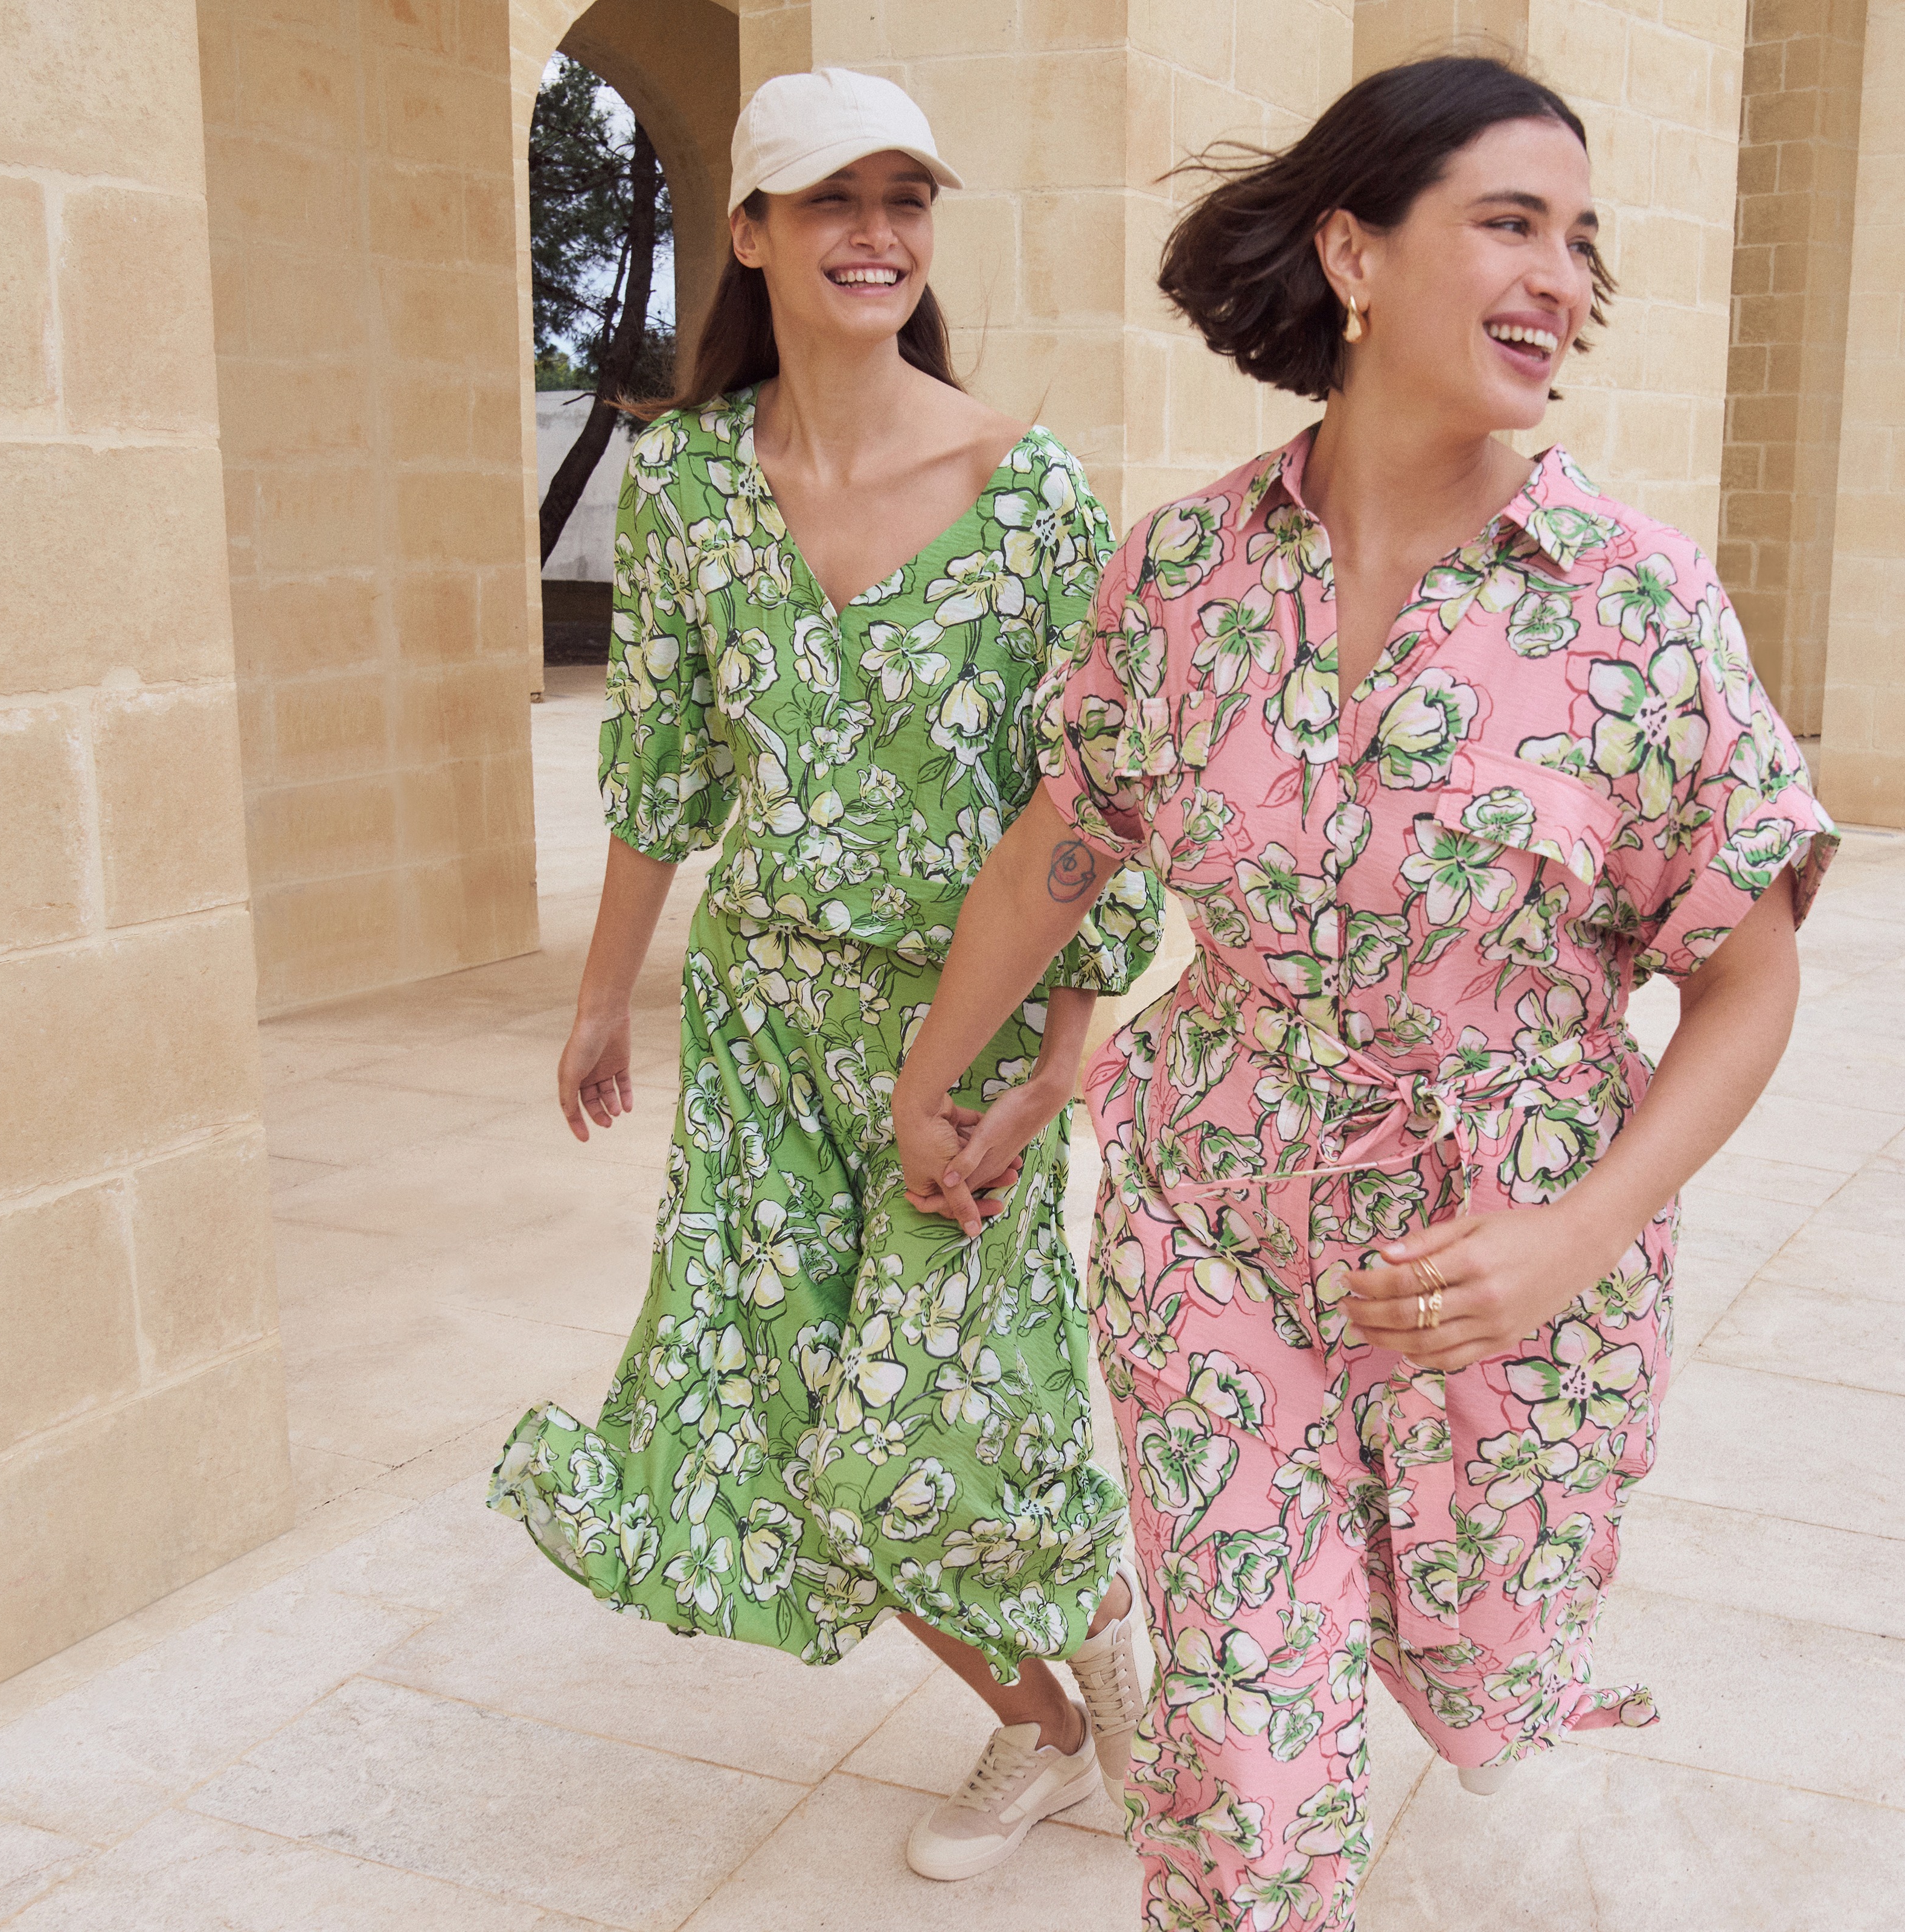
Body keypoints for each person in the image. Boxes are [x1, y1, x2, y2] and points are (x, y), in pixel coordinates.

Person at [892, 56, 1836, 1931]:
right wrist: (944, 1074)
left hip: (1503, 1272)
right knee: (1247, 1757)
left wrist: (1577, 1237)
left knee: (1479, 1664)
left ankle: (1492, 1664)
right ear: (1355, 252)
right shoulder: (1184, 573)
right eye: (1511, 223)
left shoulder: (1632, 606)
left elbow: (1748, 979)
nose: (1560, 276)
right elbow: (1065, 843)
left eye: (1582, 242)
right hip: (1209, 1226)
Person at [487, 67, 1165, 1882]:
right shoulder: (689, 484)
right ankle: (1049, 1734)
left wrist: (1063, 1062)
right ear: (753, 233)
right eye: (833, 200)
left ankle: (1126, 1691)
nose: (877, 233)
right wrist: (602, 996)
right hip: (767, 1036)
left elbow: (1089, 804)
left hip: (971, 1040)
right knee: (790, 1425)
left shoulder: (1029, 493)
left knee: (946, 1417)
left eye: (905, 199)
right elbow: (663, 769)